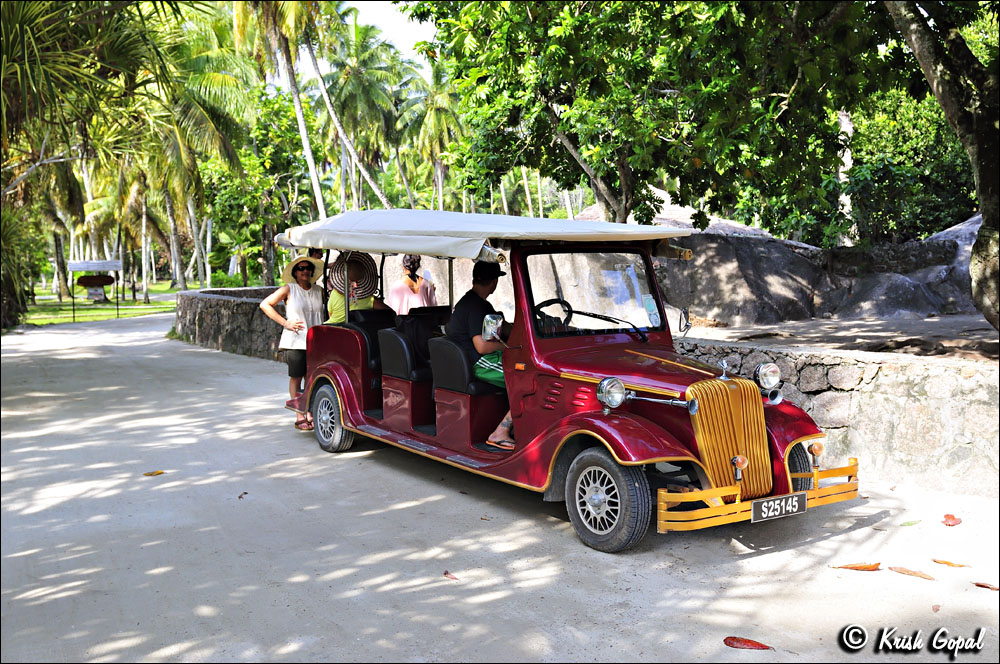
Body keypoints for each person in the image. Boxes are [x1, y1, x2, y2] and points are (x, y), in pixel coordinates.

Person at [445, 261, 515, 451]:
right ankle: (500, 432)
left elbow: (502, 326)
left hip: (473, 360)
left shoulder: (477, 304)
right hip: (478, 362)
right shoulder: (475, 306)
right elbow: (483, 346)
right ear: (494, 282)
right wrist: (508, 348)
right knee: (524, 380)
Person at [260, 253, 326, 430]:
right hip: (296, 341)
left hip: (316, 341)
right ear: (295, 272)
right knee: (297, 377)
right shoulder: (289, 289)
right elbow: (265, 304)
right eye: (301, 268)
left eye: (308, 268)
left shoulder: (319, 291)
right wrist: (285, 323)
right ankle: (299, 414)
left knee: (312, 377)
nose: (305, 271)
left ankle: (310, 412)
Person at [324, 251, 389, 324]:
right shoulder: (368, 300)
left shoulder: (334, 293)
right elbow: (388, 311)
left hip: (330, 327)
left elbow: (330, 314)